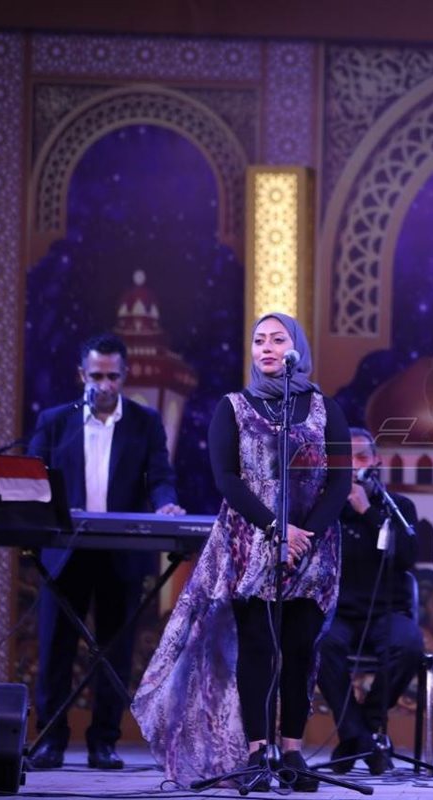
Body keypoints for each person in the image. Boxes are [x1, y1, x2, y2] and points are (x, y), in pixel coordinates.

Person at [132, 312, 351, 791]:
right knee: (258, 647)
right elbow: (227, 479)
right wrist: (276, 529)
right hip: (251, 543)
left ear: (297, 349)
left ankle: (292, 752)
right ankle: (256, 753)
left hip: (313, 547)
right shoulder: (232, 407)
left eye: (278, 339)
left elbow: (340, 482)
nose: (267, 348)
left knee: (298, 649)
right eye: (259, 340)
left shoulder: (325, 409)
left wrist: (304, 536)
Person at [26, 332, 183, 771]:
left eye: (113, 376)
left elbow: (160, 476)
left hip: (121, 551)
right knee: (56, 647)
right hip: (66, 551)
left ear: (124, 375)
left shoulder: (145, 422)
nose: (105, 385)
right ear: (82, 375)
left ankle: (103, 742)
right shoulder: (55, 421)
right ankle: (50, 740)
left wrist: (165, 504)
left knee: (116, 648)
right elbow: (35, 475)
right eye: (96, 376)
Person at [316, 428, 424, 776]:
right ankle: (364, 739)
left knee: (409, 646)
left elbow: (406, 556)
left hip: (387, 611)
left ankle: (360, 731)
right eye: (345, 458)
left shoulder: (399, 507)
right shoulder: (325, 507)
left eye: (361, 456)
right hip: (338, 612)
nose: (354, 464)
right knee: (319, 644)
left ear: (376, 461)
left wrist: (366, 511)